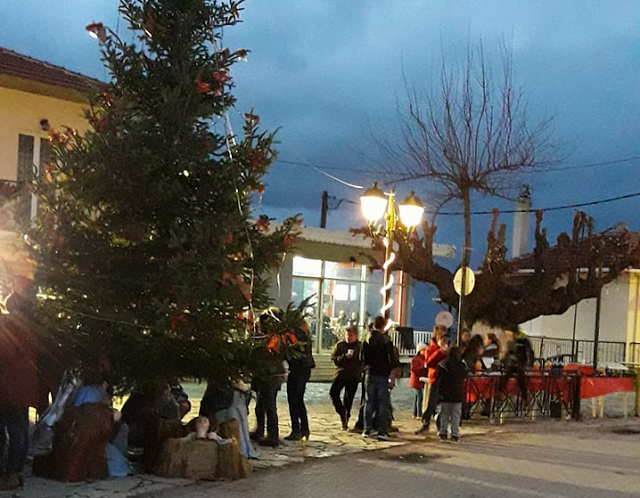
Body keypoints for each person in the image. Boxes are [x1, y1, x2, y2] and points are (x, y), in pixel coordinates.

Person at [0, 291, 39, 490]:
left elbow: (4, 354)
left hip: (7, 386)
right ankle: (16, 472)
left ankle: (9, 475)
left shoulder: (8, 326)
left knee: (7, 431)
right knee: (20, 430)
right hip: (24, 387)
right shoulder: (30, 328)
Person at [250, 308, 290, 448]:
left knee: (269, 405)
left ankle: (273, 435)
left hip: (270, 374)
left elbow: (271, 355)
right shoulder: (268, 336)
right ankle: (259, 430)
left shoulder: (276, 338)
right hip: (265, 374)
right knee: (260, 405)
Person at [361, 316, 396, 441]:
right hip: (382, 374)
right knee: (382, 403)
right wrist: (391, 372)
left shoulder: (367, 339)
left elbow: (362, 357)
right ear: (383, 325)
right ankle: (381, 430)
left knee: (369, 402)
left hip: (370, 373)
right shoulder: (386, 340)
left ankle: (367, 428)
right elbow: (392, 359)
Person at [285, 319, 315, 441]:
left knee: (294, 399)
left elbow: (294, 350)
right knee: (298, 399)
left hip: (299, 369)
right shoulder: (304, 333)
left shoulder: (297, 334)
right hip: (302, 368)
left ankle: (297, 430)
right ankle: (303, 429)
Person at [415, 325, 449, 435]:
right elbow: (429, 363)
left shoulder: (447, 349)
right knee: (431, 403)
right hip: (435, 378)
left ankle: (441, 426)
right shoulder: (431, 349)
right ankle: (426, 423)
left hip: (445, 379)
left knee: (443, 404)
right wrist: (439, 352)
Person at [329, 326, 363, 430]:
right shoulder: (341, 345)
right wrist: (344, 357)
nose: (348, 337)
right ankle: (341, 411)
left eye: (351, 335)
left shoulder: (360, 346)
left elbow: (363, 360)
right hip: (341, 373)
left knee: (348, 399)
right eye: (347, 335)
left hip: (353, 375)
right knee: (333, 393)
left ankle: (345, 420)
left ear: (356, 336)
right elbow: (334, 359)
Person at [436, 346, 467, 442]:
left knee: (444, 413)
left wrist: (439, 392)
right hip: (457, 393)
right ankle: (454, 433)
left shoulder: (442, 364)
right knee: (456, 414)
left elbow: (439, 380)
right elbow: (464, 376)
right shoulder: (462, 365)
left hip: (445, 393)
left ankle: (443, 432)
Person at [498, 328, 534, 404]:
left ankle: (524, 397)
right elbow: (509, 353)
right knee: (507, 377)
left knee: (520, 379)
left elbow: (528, 353)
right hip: (514, 363)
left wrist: (528, 364)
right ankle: (502, 393)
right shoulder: (513, 342)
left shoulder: (523, 341)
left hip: (519, 363)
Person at [409, 343, 428, 419]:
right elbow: (415, 370)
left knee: (417, 397)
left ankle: (415, 412)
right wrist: (423, 368)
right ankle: (419, 413)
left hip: (419, 380)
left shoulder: (423, 359)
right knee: (419, 397)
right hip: (416, 380)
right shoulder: (416, 359)